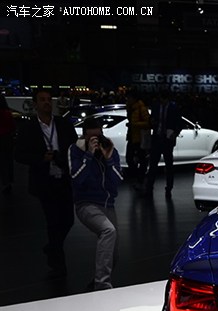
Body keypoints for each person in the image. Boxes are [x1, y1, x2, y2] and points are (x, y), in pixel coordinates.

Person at [14, 88, 78, 276]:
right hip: (44, 180)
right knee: (53, 222)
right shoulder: (28, 128)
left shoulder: (63, 124)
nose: (47, 102)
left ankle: (52, 247)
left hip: (64, 178)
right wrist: (41, 158)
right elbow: (19, 155)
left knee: (68, 220)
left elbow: (74, 147)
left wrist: (63, 158)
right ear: (35, 104)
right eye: (42, 99)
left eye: (49, 99)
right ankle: (58, 264)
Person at [68, 117, 124, 290]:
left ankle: (96, 283)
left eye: (97, 137)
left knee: (113, 254)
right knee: (108, 230)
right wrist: (88, 155)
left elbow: (118, 180)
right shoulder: (75, 150)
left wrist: (108, 159)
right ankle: (102, 285)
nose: (95, 141)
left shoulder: (109, 150)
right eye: (91, 138)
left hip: (108, 205)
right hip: (86, 204)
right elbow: (76, 179)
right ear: (84, 136)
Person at [145, 90, 182, 200]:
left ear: (167, 99)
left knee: (168, 166)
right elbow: (150, 120)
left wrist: (175, 133)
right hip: (157, 138)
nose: (162, 101)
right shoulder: (156, 106)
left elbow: (179, 123)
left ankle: (168, 188)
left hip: (167, 139)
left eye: (163, 99)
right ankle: (149, 188)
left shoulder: (174, 108)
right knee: (153, 165)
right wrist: (152, 121)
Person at [124, 89, 150, 186]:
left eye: (129, 98)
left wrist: (134, 125)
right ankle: (138, 177)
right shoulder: (130, 108)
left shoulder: (141, 108)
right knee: (130, 158)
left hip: (140, 138)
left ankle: (140, 179)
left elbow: (148, 123)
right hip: (132, 136)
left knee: (141, 159)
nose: (127, 99)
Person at [0, 94, 14, 195]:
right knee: (8, 161)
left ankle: (4, 181)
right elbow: (12, 126)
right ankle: (8, 181)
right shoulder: (8, 113)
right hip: (7, 139)